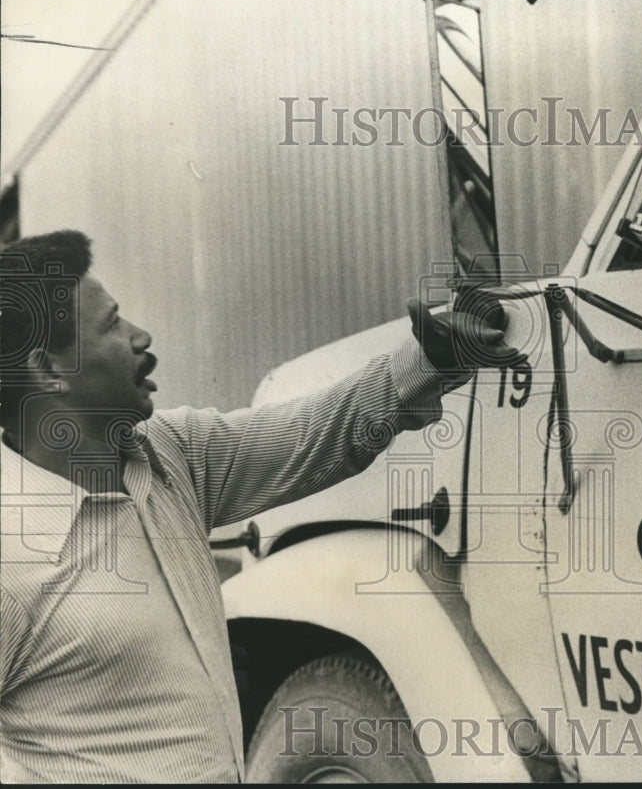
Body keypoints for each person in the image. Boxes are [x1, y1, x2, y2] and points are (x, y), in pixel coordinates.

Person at [0, 229, 519, 783]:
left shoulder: (169, 455)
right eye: (111, 325)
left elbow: (310, 432)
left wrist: (430, 358)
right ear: (47, 371)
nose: (140, 336)